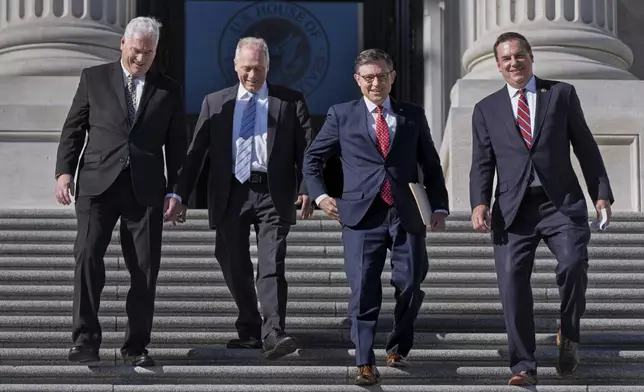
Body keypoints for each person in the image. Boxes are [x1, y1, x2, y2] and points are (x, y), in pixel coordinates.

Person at [469, 31, 614, 386]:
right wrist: (479, 202)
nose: (514, 63)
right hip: (513, 211)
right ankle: (523, 366)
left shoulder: (560, 94)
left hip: (560, 204)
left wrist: (602, 193)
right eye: (506, 59)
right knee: (512, 286)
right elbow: (482, 162)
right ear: (499, 67)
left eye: (519, 55)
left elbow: (585, 145)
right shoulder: (486, 109)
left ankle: (568, 333)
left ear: (531, 58)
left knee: (573, 264)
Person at [303, 48, 449, 386]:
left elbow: (431, 163)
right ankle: (364, 360)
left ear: (392, 77)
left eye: (382, 75)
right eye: (368, 77)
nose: (375, 82)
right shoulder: (341, 114)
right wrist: (321, 196)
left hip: (407, 212)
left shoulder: (412, 115)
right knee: (363, 288)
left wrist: (439, 206)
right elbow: (313, 158)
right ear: (357, 80)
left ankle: (398, 343)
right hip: (361, 215)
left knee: (411, 283)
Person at [166, 37, 314, 360]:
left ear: (268, 66)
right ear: (235, 66)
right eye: (246, 68)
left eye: (258, 69)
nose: (252, 75)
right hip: (231, 192)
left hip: (273, 193)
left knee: (271, 262)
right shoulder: (215, 102)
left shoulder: (290, 102)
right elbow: (195, 155)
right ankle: (249, 326)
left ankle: (274, 331)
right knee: (231, 261)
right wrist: (179, 193)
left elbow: (307, 153)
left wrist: (307, 189)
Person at [54, 17, 187, 367]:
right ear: (123, 44)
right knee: (86, 257)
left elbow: (177, 147)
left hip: (144, 191)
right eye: (136, 50)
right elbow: (73, 129)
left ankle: (136, 346)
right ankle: (84, 340)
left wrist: (176, 191)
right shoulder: (93, 79)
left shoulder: (168, 89)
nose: (141, 58)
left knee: (144, 269)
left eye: (149, 52)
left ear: (155, 52)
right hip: (97, 186)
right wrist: (64, 171)